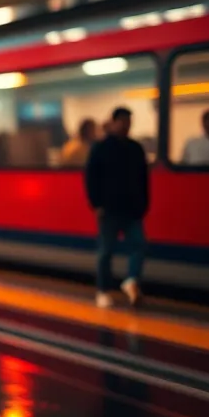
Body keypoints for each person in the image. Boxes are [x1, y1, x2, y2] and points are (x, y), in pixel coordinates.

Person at [85, 107, 149, 308]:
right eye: (122, 121)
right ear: (113, 122)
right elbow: (91, 178)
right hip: (109, 210)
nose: (126, 125)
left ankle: (131, 280)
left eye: (129, 121)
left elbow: (143, 179)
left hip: (132, 210)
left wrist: (144, 204)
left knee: (139, 246)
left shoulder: (135, 148)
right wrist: (96, 205)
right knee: (106, 251)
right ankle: (103, 290)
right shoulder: (101, 148)